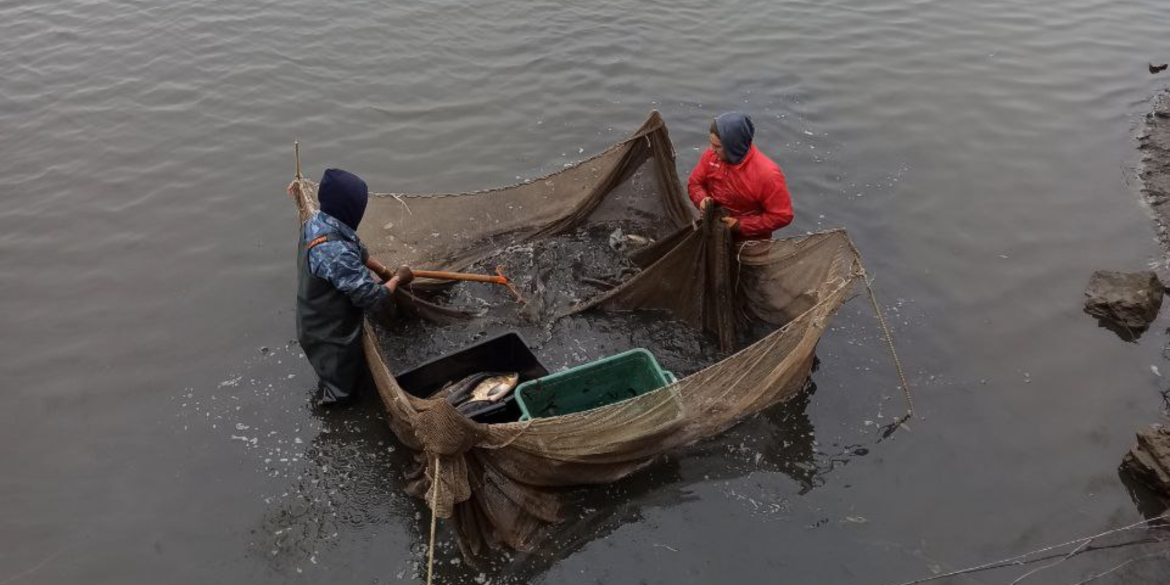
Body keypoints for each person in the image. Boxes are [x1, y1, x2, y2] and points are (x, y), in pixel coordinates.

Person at [287, 168, 413, 406]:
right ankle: (334, 414)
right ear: (350, 210)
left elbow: (355, 246)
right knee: (340, 390)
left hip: (316, 314)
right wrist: (398, 279)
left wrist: (383, 271)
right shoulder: (335, 253)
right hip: (328, 335)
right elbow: (373, 297)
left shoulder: (319, 221)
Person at [687, 112, 794, 239]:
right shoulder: (711, 156)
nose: (711, 149)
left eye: (717, 146)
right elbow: (695, 183)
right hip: (714, 227)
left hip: (750, 239)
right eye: (711, 143)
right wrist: (701, 200)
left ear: (733, 146)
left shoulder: (768, 175)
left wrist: (740, 225)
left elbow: (782, 216)